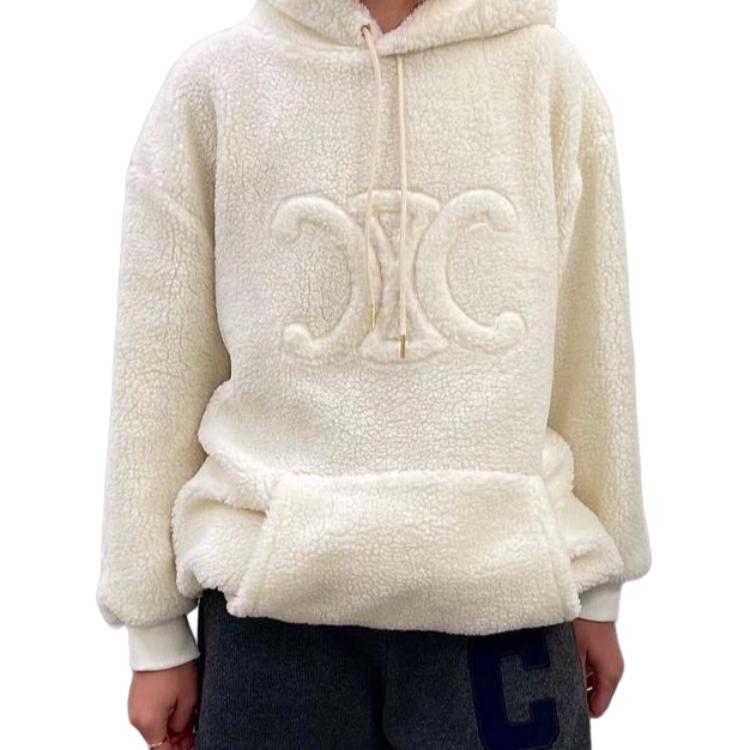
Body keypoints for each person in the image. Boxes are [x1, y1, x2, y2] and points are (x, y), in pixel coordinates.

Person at [96, 0, 652, 747]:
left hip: (504, 594)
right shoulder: (218, 83)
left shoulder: (547, 77)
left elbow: (593, 338)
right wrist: (154, 630)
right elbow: (158, 361)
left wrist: (600, 585)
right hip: (275, 609)